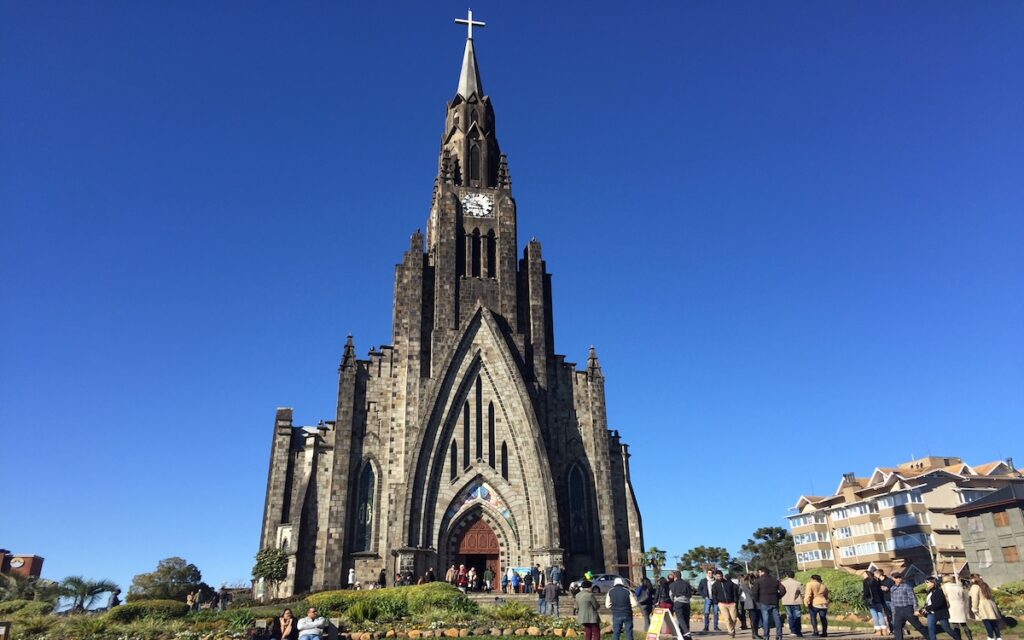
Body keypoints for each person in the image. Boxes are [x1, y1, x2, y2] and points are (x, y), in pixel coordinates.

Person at [889, 573, 928, 640]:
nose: (898, 579)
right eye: (896, 577)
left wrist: (916, 609)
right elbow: (892, 600)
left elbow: (913, 598)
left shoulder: (906, 586)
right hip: (898, 610)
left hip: (908, 609)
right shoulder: (892, 588)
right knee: (897, 627)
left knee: (918, 626)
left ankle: (930, 637)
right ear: (893, 579)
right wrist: (893, 610)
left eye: (899, 577)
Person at [752, 567, 785, 640]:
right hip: (774, 601)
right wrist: (778, 597)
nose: (759, 574)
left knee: (766, 619)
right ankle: (779, 635)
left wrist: (757, 600)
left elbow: (754, 592)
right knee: (777, 619)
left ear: (762, 572)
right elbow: (783, 590)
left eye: (759, 572)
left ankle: (766, 636)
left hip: (763, 602)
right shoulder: (775, 580)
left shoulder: (758, 581)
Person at [968, 574, 1001, 640]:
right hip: (991, 604)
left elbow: (975, 598)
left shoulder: (975, 586)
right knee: (993, 623)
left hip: (982, 605)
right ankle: (998, 637)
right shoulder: (984, 584)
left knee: (987, 622)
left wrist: (974, 608)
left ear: (973, 579)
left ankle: (990, 637)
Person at [941, 575, 972, 640]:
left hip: (951, 606)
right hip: (960, 605)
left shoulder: (944, 587)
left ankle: (958, 638)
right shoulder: (959, 587)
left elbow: (944, 597)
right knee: (964, 624)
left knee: (955, 625)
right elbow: (965, 598)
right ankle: (970, 638)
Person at [713, 570, 741, 638]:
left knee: (734, 618)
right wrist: (716, 602)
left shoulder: (729, 583)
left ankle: (732, 628)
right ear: (716, 576)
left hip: (731, 603)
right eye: (718, 576)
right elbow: (714, 594)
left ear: (722, 576)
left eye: (720, 576)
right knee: (727, 619)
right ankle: (731, 631)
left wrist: (735, 601)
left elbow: (734, 592)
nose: (719, 577)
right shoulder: (715, 585)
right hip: (722, 604)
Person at [669, 571, 695, 640]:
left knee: (680, 618)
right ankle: (686, 637)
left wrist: (674, 600)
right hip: (687, 603)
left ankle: (686, 632)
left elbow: (671, 594)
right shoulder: (686, 583)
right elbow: (690, 593)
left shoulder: (673, 584)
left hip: (678, 602)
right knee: (686, 619)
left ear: (675, 577)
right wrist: (687, 599)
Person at [863, 570, 888, 636]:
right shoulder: (877, 580)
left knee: (875, 615)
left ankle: (878, 630)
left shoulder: (866, 581)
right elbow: (880, 590)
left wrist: (865, 598)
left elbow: (866, 592)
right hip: (879, 600)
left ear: (867, 574)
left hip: (871, 600)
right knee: (880, 614)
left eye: (864, 574)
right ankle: (884, 630)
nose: (863, 576)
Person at [781, 571, 804, 637]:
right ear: (794, 575)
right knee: (797, 616)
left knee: (790, 616)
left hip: (786, 602)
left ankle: (793, 631)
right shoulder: (798, 583)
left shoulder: (782, 583)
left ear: (787, 575)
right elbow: (802, 593)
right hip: (796, 601)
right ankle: (798, 631)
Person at [699, 569, 721, 633]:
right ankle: (706, 627)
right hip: (707, 599)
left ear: (713, 574)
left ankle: (716, 627)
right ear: (707, 574)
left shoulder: (716, 581)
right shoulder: (703, 581)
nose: (710, 574)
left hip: (715, 599)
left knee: (716, 613)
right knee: (706, 613)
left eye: (711, 573)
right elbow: (699, 589)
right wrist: (704, 596)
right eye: (709, 573)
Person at [740, 574, 761, 639]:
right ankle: (755, 634)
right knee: (753, 619)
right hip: (751, 603)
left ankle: (755, 634)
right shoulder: (744, 584)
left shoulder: (753, 584)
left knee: (756, 619)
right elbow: (751, 593)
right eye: (753, 578)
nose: (755, 580)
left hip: (757, 603)